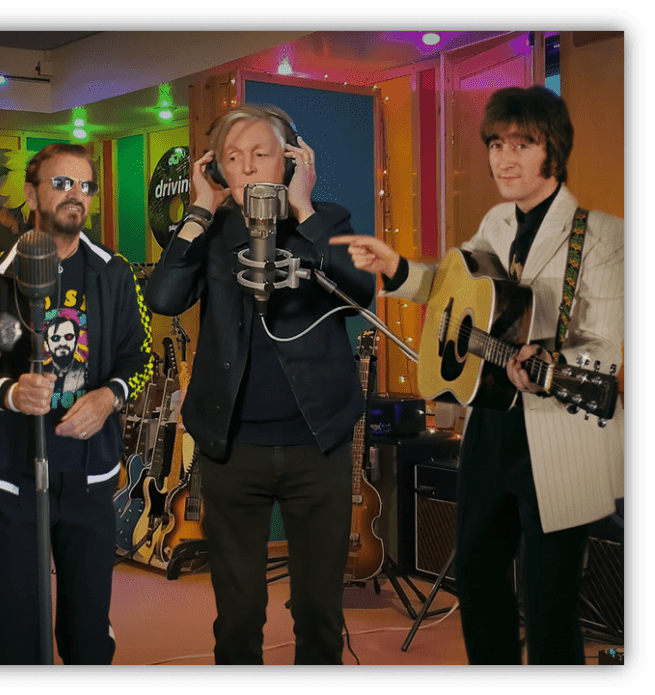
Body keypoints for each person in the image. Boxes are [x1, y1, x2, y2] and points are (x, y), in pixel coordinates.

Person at [331, 86, 624, 664]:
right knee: (478, 575)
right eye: (495, 144)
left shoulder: (603, 235)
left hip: (561, 431)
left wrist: (555, 367)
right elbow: (453, 287)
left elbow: (605, 346)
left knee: (548, 602)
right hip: (491, 424)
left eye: (521, 144)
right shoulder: (496, 222)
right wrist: (398, 270)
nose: (503, 159)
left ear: (554, 150)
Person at [146, 105, 375, 665]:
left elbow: (360, 292)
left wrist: (304, 210)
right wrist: (201, 208)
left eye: (261, 154)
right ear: (217, 169)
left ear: (291, 161)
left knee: (319, 612)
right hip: (232, 448)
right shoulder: (210, 230)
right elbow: (164, 297)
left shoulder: (329, 220)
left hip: (317, 444)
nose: (247, 168)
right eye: (232, 158)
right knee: (239, 613)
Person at [0, 143, 153, 664]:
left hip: (90, 477)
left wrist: (108, 397)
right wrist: (10, 392)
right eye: (62, 183)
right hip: (14, 477)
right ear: (32, 193)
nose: (76, 195)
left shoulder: (115, 273)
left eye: (86, 186)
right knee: (15, 634)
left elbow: (142, 359)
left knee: (88, 633)